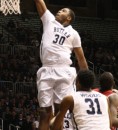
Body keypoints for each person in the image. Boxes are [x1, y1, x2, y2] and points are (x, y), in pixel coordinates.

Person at [34, 0, 88, 130]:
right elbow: (39, 2)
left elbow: (80, 57)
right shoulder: (49, 20)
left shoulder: (74, 33)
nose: (59, 11)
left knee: (60, 111)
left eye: (63, 10)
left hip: (64, 71)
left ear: (69, 18)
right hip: (46, 69)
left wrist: (87, 79)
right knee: (44, 112)